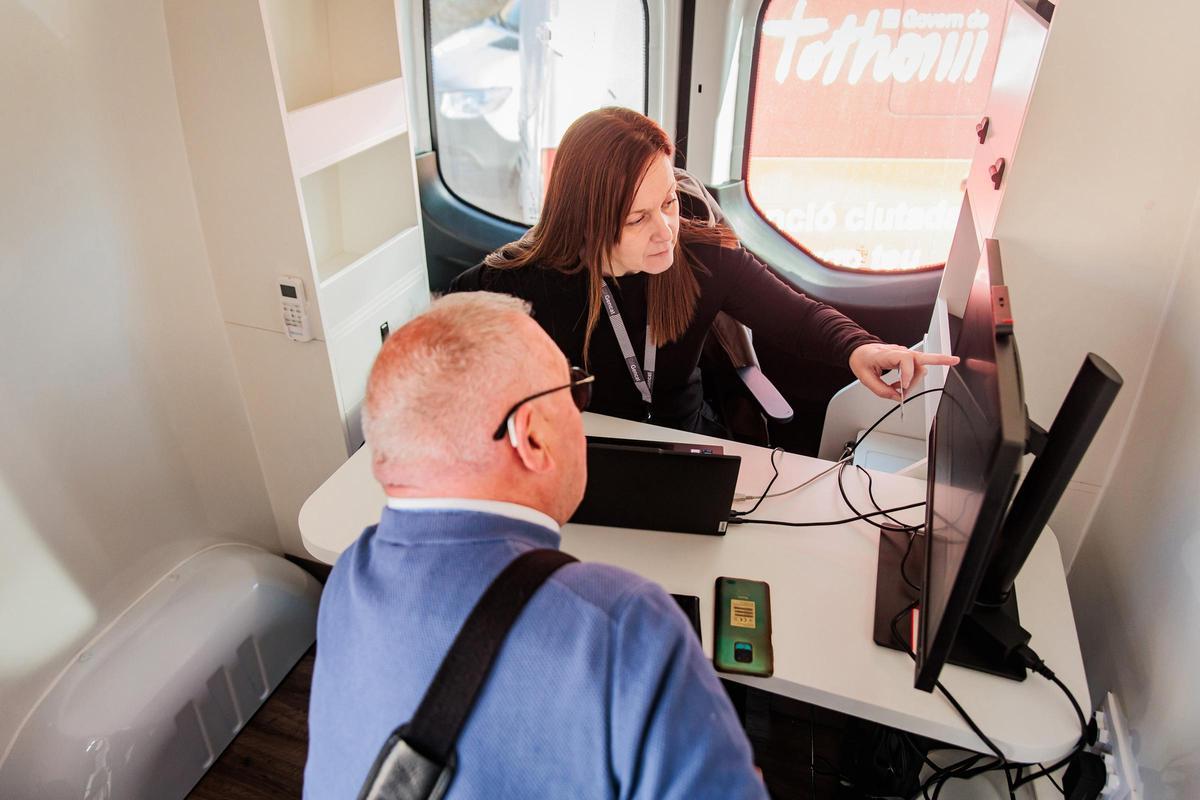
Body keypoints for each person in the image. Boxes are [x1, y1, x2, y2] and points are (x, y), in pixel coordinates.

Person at [303, 292, 769, 799]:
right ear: (531, 437)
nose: (581, 409)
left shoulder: (348, 575)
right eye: (574, 392)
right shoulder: (626, 627)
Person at [451, 107, 957, 435]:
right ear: (588, 221)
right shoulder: (517, 282)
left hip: (689, 442)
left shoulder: (703, 257)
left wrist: (859, 347)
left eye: (668, 202)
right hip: (584, 456)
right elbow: (446, 337)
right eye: (637, 218)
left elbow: (796, 318)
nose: (665, 230)